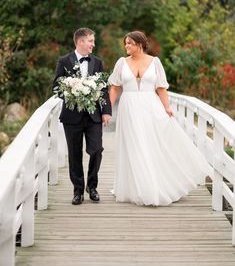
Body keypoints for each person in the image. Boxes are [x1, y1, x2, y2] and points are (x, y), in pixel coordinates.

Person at [108, 31, 211, 206]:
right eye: (125, 43)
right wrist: (108, 108)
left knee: (151, 144)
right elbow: (115, 88)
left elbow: (161, 88)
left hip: (151, 106)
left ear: (140, 44)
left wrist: (167, 108)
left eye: (130, 43)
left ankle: (156, 185)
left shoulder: (155, 62)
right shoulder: (121, 63)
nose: (126, 46)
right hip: (129, 108)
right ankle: (138, 188)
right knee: (134, 145)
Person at [53, 28, 111, 205]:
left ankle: (92, 186)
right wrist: (72, 92)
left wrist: (106, 111)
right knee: (74, 154)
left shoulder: (98, 62)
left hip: (93, 116)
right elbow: (56, 86)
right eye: (91, 41)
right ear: (80, 42)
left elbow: (104, 89)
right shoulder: (64, 61)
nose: (93, 44)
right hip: (72, 117)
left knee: (96, 150)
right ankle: (78, 190)